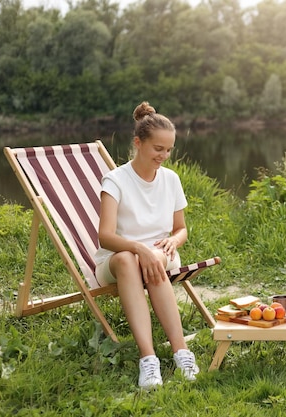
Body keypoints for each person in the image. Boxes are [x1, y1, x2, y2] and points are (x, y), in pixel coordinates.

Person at [94, 101, 199, 389]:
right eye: (158, 149)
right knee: (131, 259)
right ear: (138, 143)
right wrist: (140, 248)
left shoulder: (171, 179)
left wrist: (171, 241)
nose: (164, 155)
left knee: (150, 258)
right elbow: (105, 237)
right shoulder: (115, 180)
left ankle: (181, 353)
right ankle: (149, 360)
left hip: (161, 255)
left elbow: (181, 229)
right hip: (116, 261)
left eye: (168, 149)